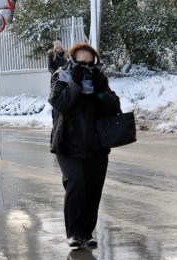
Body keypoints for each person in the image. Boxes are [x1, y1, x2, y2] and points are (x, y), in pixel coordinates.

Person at [48, 42, 121, 248]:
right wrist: (76, 84)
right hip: (67, 143)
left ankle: (86, 233)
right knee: (75, 184)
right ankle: (74, 233)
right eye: (81, 63)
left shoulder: (100, 79)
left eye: (90, 64)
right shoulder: (61, 77)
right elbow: (60, 104)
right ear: (72, 60)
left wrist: (98, 90)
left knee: (92, 189)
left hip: (95, 144)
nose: (86, 68)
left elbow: (113, 107)